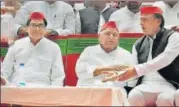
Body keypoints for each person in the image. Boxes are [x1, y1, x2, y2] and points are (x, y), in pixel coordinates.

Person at [102, 6, 179, 106]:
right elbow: (132, 69)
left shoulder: (173, 37)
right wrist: (119, 78)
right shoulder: (138, 44)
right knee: (133, 96)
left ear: (158, 21)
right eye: (140, 19)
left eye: (145, 19)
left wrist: (135, 70)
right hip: (145, 85)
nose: (141, 23)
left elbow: (164, 59)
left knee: (165, 98)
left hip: (168, 84)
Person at [1, 12, 65, 86]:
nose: (37, 29)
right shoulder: (16, 45)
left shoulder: (54, 48)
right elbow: (5, 72)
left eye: (40, 25)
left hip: (42, 89)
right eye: (33, 25)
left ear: (45, 29)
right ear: (27, 28)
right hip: (18, 88)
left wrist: (52, 94)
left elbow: (58, 77)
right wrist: (6, 84)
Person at [76, 21, 133, 87]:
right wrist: (108, 68)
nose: (111, 37)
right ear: (99, 37)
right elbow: (81, 72)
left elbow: (132, 78)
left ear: (118, 39)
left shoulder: (126, 54)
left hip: (115, 92)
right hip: (90, 90)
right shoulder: (89, 51)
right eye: (107, 34)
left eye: (115, 35)